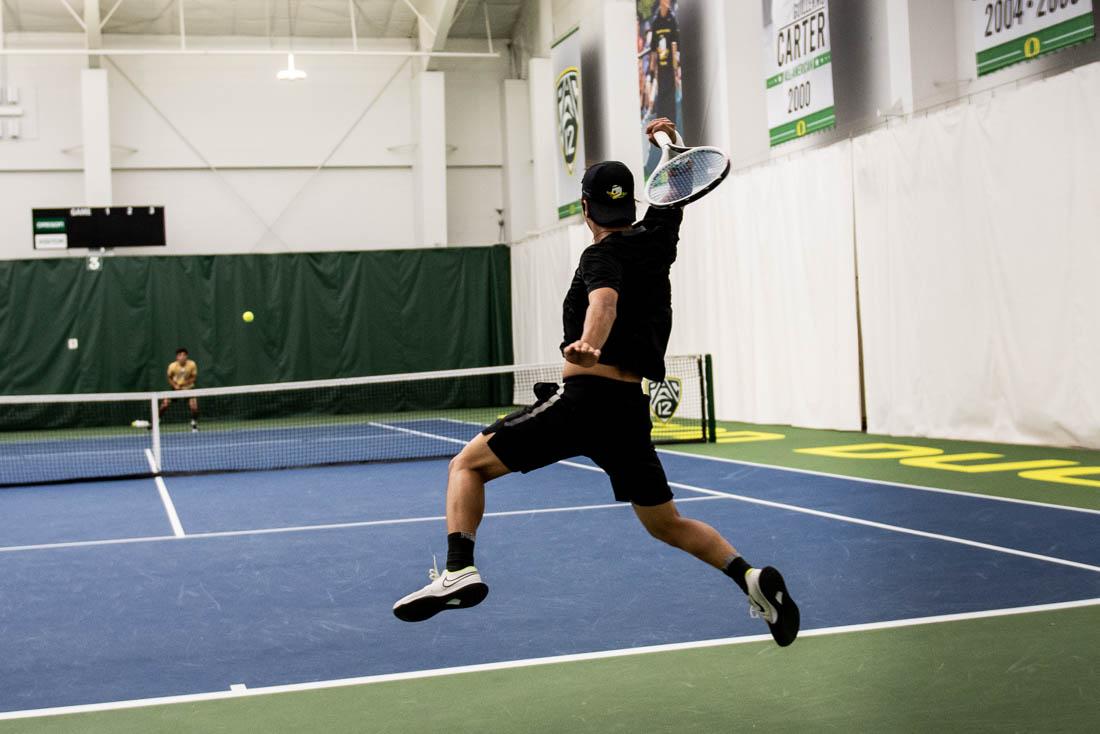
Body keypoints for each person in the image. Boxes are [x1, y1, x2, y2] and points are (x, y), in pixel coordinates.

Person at [393, 118, 799, 647]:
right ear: (631, 204)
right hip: (627, 411)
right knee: (665, 523)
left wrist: (589, 343)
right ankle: (749, 577)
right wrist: (664, 144)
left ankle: (459, 569)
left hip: (585, 401)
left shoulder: (599, 255)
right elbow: (673, 187)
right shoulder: (658, 240)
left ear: (585, 208)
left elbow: (603, 301)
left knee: (465, 465)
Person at [647, 0, 680, 122]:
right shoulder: (656, 21)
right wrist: (651, 76)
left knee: (671, 106)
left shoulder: (672, 19)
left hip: (671, 70)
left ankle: (673, 135)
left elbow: (676, 45)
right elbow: (653, 51)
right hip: (660, 72)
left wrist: (676, 70)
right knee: (661, 106)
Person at [161, 347, 199, 433]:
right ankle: (155, 422)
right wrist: (175, 385)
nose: (182, 357)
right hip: (175, 389)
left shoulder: (192, 364)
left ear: (187, 356)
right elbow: (169, 378)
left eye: (184, 355)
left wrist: (184, 384)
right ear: (177, 357)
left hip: (189, 388)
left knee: (194, 407)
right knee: (164, 404)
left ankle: (194, 424)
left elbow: (193, 378)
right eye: (180, 355)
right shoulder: (172, 366)